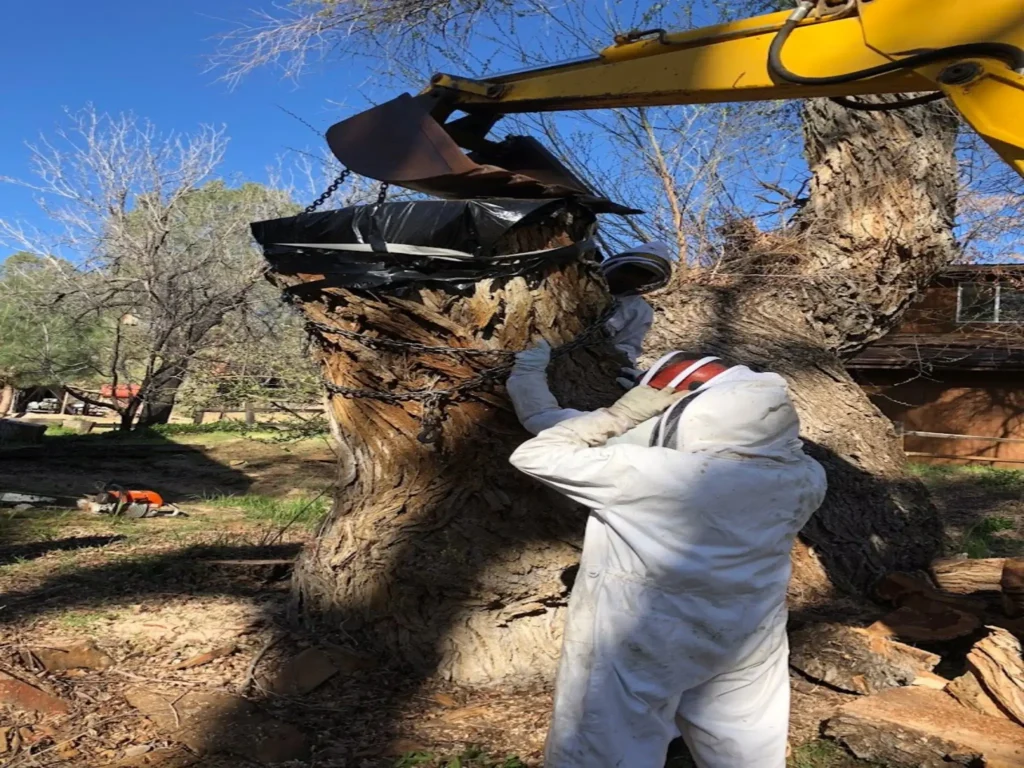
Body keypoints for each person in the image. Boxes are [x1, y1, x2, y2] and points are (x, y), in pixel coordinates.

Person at [508, 358, 827, 768]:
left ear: (694, 416)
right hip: (746, 630)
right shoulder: (807, 477)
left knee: (607, 747)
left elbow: (537, 453)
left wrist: (618, 415)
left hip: (641, 631)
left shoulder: (651, 472)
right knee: (746, 745)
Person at [506, 241, 675, 435]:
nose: (632, 278)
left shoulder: (639, 310)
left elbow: (628, 344)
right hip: (540, 350)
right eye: (630, 270)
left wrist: (620, 366)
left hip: (583, 369)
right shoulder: (574, 279)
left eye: (643, 275)